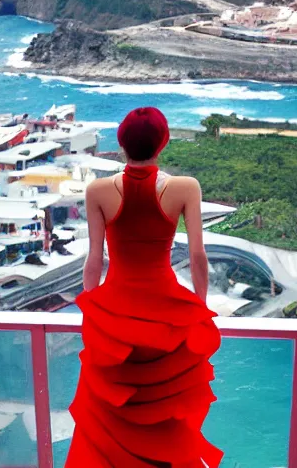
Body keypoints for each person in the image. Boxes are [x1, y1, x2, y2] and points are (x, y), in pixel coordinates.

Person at [66, 107, 223, 468]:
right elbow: (198, 257)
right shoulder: (185, 188)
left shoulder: (98, 191)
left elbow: (94, 262)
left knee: (112, 423)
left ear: (121, 144)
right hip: (167, 318)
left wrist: (93, 315)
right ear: (163, 142)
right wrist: (198, 311)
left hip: (115, 318)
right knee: (165, 420)